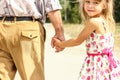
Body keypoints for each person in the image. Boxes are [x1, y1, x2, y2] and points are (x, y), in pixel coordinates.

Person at [53, 0, 120, 79]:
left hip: (97, 65)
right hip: (107, 64)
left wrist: (60, 44)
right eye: (87, 1)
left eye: (96, 3)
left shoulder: (94, 22)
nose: (90, 6)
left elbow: (77, 41)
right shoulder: (105, 20)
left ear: (105, 5)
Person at [0, 0, 65, 80]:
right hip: (27, 29)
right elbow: (51, 4)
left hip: (1, 28)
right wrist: (59, 32)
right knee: (33, 77)